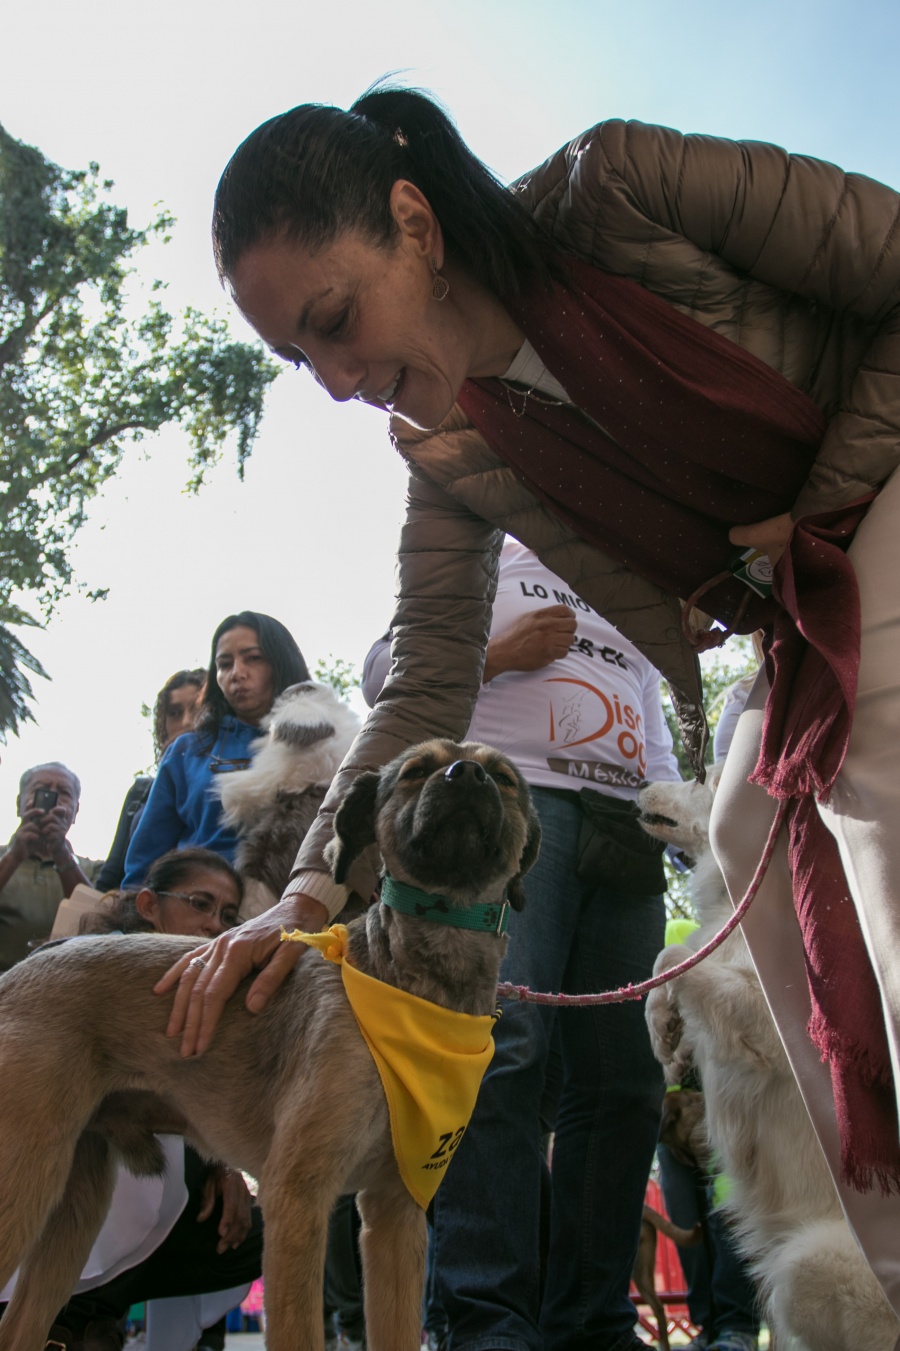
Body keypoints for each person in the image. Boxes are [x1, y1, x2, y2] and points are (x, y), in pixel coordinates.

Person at [158, 87, 900, 1326]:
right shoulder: (443, 448)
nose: (339, 382)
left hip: (869, 519)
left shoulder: (623, 185)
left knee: (865, 773)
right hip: (807, 597)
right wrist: (299, 898)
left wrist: (820, 506)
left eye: (337, 321)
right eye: (302, 358)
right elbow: (425, 685)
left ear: (414, 220)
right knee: (740, 836)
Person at [363, 537, 681, 1350]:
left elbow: (654, 732)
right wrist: (499, 655)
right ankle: (485, 1318)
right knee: (502, 1054)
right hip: (507, 819)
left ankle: (594, 1321)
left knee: (625, 1080)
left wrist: (692, 828)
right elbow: (383, 677)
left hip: (626, 831)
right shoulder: (480, 553)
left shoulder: (630, 575)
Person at [31, 848, 264, 1351]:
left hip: (160, 1182)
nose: (212, 926)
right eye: (199, 904)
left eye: (227, 916)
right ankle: (70, 1325)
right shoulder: (80, 970)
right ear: (147, 906)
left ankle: (97, 1325)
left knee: (247, 1233)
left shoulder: (211, 995)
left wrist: (225, 1168)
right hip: (52, 1172)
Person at [121, 612, 309, 890]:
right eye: (224, 664)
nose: (237, 673)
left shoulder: (321, 744)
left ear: (280, 662)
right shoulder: (186, 752)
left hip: (291, 912)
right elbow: (143, 862)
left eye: (253, 658)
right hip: (195, 914)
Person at [96, 669, 207, 893]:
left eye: (197, 711)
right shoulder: (140, 792)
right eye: (175, 713)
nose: (186, 722)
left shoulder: (225, 787)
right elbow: (112, 874)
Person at [0, 762, 99, 973]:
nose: (52, 798)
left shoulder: (94, 871)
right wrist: (15, 856)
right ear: (19, 803)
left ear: (75, 811)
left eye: (63, 792)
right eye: (41, 789)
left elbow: (100, 925)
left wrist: (62, 855)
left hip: (60, 991)